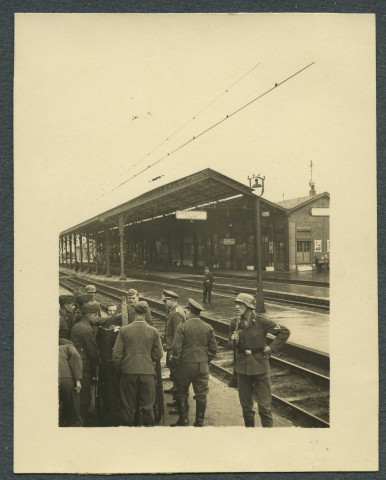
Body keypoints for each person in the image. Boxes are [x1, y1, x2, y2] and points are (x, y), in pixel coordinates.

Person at [229, 293, 290, 428]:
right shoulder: (235, 323)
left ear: (249, 306)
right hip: (242, 369)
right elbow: (230, 344)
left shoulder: (262, 322)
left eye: (241, 304)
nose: (237, 306)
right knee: (246, 407)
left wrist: (271, 348)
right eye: (236, 304)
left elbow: (284, 332)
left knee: (264, 407)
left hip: (260, 367)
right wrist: (233, 341)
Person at [112, 301, 163, 426]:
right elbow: (159, 354)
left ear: (134, 312)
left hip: (128, 372)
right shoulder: (153, 331)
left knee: (129, 407)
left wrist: (120, 369)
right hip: (147, 372)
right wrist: (146, 360)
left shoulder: (124, 330)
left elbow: (116, 355)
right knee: (147, 407)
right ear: (146, 313)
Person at [171, 298, 217, 427]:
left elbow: (176, 348)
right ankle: (199, 423)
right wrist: (207, 359)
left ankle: (184, 421)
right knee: (201, 394)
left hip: (185, 364)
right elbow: (213, 349)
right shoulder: (208, 327)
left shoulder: (182, 327)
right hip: (202, 365)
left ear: (190, 311)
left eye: (186, 310)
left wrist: (177, 361)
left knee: (181, 391)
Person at [70, 302, 100, 425]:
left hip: (76, 362)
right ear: (89, 315)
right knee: (85, 395)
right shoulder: (86, 329)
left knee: (78, 392)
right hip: (83, 365)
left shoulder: (77, 325)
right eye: (95, 315)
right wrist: (98, 362)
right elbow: (92, 351)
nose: (97, 318)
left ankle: (79, 417)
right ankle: (82, 420)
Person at [162, 289, 186, 411]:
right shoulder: (171, 311)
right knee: (173, 370)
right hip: (171, 346)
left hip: (174, 348)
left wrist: (173, 351)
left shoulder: (176, 313)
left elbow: (178, 334)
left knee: (177, 373)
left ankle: (179, 402)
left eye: (165, 301)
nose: (164, 303)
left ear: (172, 300)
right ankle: (176, 391)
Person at [59, 338, 83, 427]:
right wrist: (78, 380)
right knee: (74, 413)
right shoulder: (68, 346)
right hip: (65, 378)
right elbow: (76, 356)